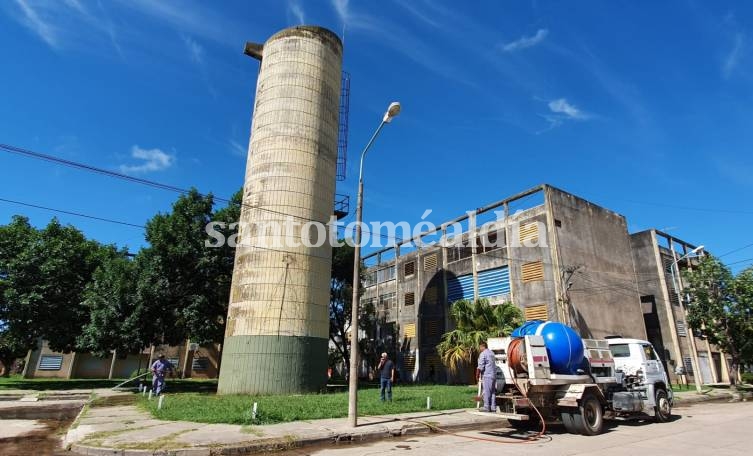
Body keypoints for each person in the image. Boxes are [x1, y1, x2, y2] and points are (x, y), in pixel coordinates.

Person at [476, 341, 496, 412]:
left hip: (487, 375)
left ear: (482, 346)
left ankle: (486, 407)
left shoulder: (483, 354)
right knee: (492, 392)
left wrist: (477, 375)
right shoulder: (492, 353)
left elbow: (480, 366)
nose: (479, 348)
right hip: (493, 375)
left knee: (487, 391)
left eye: (480, 347)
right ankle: (493, 407)